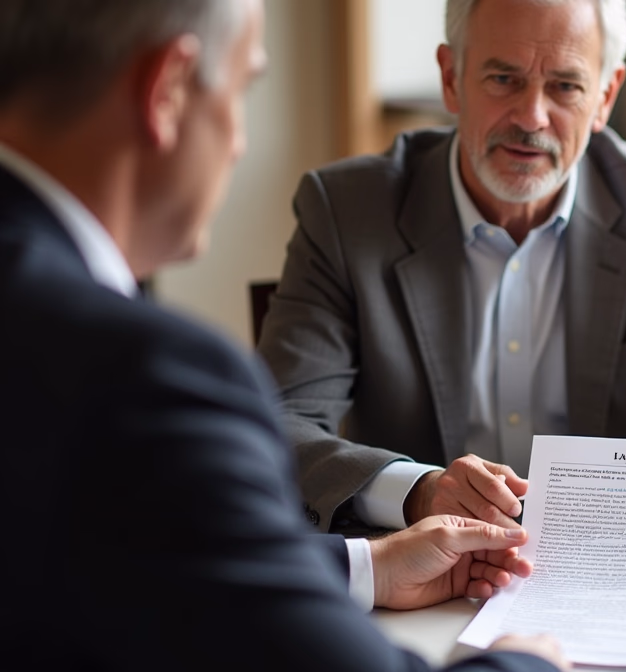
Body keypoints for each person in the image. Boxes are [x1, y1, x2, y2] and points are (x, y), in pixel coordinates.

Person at [0, 0, 568, 669]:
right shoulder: (147, 378)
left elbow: (104, 560)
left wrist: (371, 566)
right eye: (243, 88)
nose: (239, 142)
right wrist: (526, 663)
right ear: (169, 91)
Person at [256, 0, 626, 536]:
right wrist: (418, 493)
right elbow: (282, 424)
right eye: (504, 78)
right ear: (452, 78)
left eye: (565, 86)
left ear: (606, 96)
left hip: (620, 555)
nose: (532, 117)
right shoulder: (346, 210)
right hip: (426, 568)